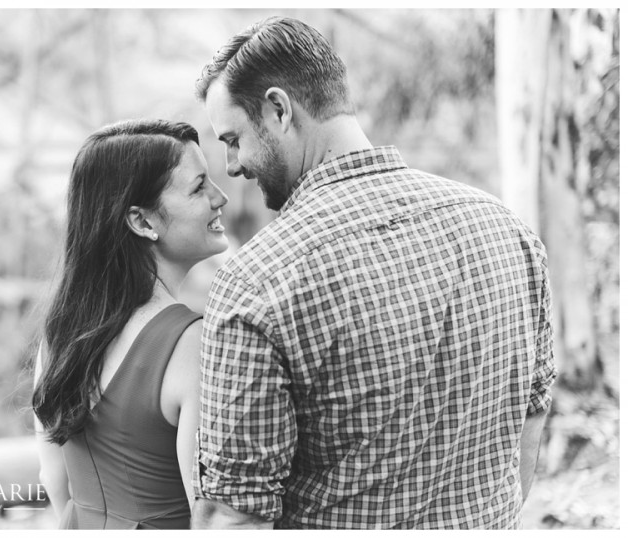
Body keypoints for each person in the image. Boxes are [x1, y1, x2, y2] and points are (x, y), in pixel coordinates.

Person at [192, 17, 557, 529]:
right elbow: (531, 416)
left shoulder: (258, 279)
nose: (232, 165)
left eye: (234, 139)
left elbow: (233, 515)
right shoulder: (506, 230)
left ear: (278, 109)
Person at [32, 119, 229, 529]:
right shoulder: (190, 343)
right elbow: (209, 514)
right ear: (141, 222)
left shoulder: (60, 335)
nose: (220, 197)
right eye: (198, 187)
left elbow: (54, 478)